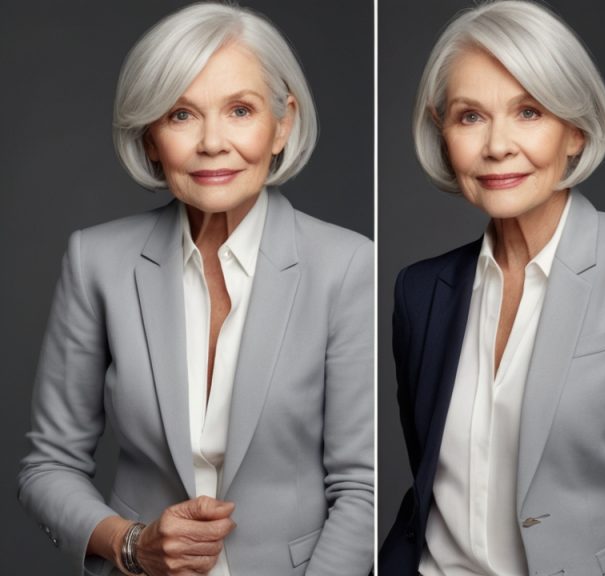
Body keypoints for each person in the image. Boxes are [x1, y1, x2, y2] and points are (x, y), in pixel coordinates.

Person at [17, 3, 373, 575]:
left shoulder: (348, 265)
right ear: (152, 138)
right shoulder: (96, 260)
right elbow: (47, 468)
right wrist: (132, 544)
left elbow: (363, 487)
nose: (212, 142)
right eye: (182, 115)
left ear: (282, 123)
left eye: (240, 110)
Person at [378, 2, 605, 575]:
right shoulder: (420, 292)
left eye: (529, 112)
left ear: (575, 131)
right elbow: (429, 492)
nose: (497, 146)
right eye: (470, 117)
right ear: (443, 134)